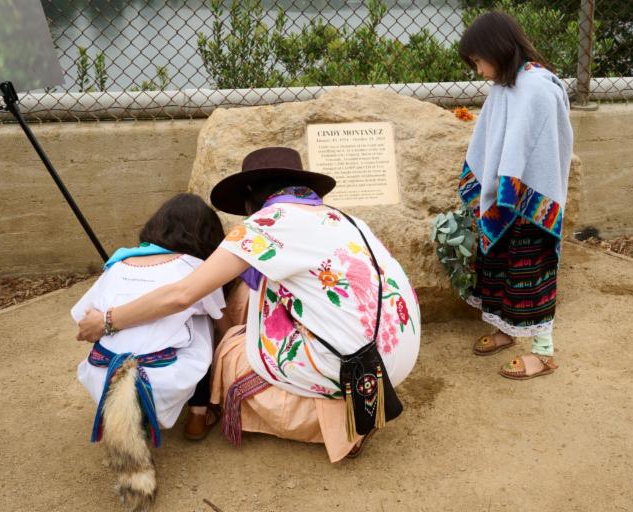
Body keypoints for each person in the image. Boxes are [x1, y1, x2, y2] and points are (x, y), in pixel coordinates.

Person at [77, 146, 421, 462]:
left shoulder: (265, 225)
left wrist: (108, 320)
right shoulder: (342, 218)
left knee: (230, 352)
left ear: (248, 200)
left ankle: (335, 425)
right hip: (394, 356)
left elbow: (183, 294)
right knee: (256, 294)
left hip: (351, 369)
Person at [70, 193, 227, 509]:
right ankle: (198, 414)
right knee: (207, 321)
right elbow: (220, 320)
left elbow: (82, 320)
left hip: (102, 377)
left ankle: (131, 420)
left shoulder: (118, 263)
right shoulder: (195, 266)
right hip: (163, 376)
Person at [457, 11, 573, 380]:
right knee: (501, 269)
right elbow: (489, 141)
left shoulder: (539, 88)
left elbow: (544, 151)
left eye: (478, 60)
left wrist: (516, 188)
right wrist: (489, 187)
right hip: (506, 200)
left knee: (531, 273)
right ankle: (508, 330)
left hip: (531, 204)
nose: (478, 70)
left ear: (497, 49)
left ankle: (545, 352)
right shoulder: (505, 87)